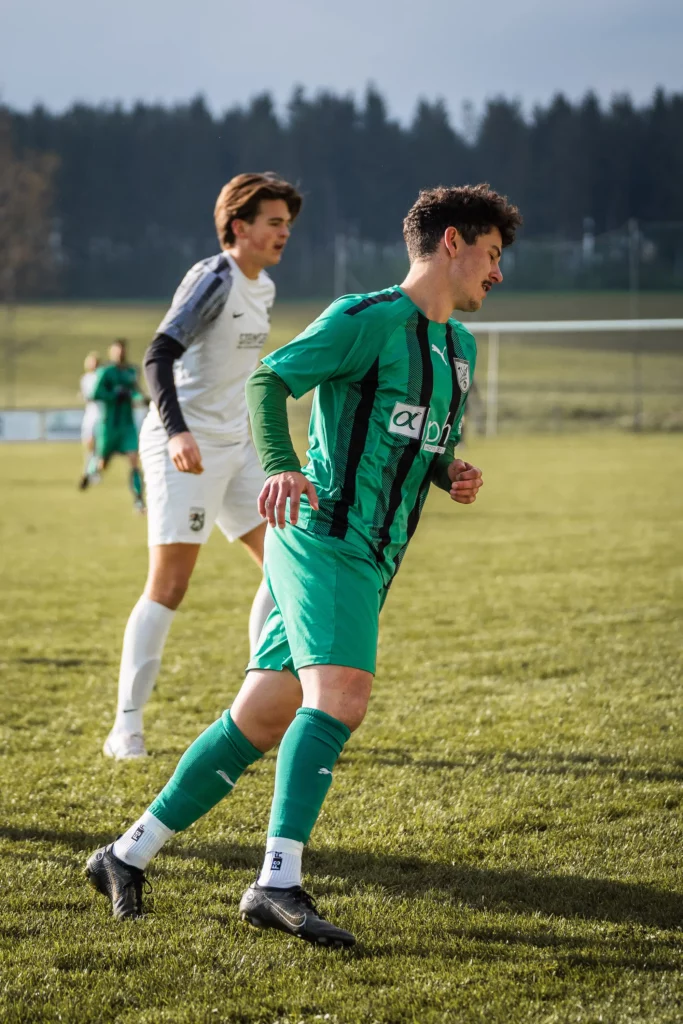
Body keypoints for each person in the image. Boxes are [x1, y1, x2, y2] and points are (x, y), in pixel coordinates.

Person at [86, 183, 522, 947]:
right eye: (490, 253)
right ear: (450, 243)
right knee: (341, 695)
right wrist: (283, 465)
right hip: (324, 537)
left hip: (375, 555)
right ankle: (275, 882)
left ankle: (125, 854)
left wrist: (445, 471)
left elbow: (416, 441)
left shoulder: (460, 348)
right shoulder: (365, 317)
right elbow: (271, 378)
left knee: (260, 715)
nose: (498, 271)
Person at [102, 172, 303, 760]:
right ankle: (125, 728)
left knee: (287, 567)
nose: (284, 233)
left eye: (288, 224)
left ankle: (254, 710)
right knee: (170, 585)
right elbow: (158, 354)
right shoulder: (215, 279)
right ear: (239, 226)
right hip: (183, 446)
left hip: (237, 445)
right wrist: (178, 431)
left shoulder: (263, 287)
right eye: (273, 222)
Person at [86, 339, 146, 512]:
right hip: (109, 425)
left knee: (134, 460)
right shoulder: (105, 372)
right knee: (102, 463)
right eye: (116, 351)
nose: (119, 354)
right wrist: (114, 394)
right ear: (111, 352)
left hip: (127, 425)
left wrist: (140, 399)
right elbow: (95, 394)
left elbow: (135, 391)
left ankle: (138, 500)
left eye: (122, 351)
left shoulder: (131, 371)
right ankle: (90, 472)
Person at [78, 351, 103, 489]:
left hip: (101, 415)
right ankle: (89, 470)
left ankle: (93, 472)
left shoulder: (102, 376)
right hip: (90, 416)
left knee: (98, 446)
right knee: (89, 445)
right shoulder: (85, 378)